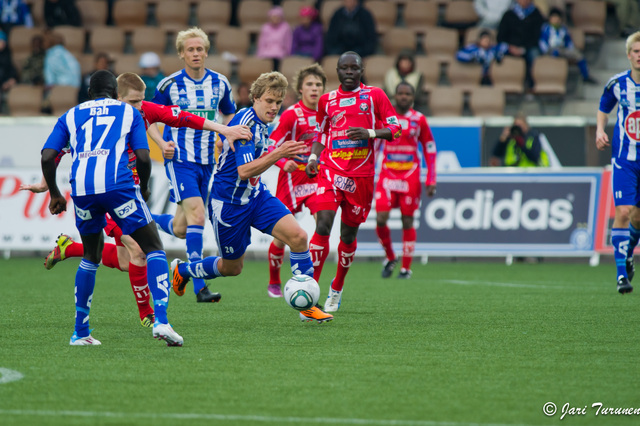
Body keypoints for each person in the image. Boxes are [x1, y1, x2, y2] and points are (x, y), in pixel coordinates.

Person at [21, 71, 250, 323]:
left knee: (124, 261)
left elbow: (184, 118)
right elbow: (61, 150)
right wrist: (46, 183)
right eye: (133, 102)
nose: (139, 107)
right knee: (139, 251)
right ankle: (148, 315)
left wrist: (223, 129)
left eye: (141, 101)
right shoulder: (106, 119)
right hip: (108, 192)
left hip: (126, 192)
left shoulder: (141, 112)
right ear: (115, 97)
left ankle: (70, 248)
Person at [170, 71, 334, 324]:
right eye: (269, 101)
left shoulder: (264, 123)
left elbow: (258, 157)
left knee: (299, 238)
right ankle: (184, 269)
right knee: (231, 268)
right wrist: (279, 154)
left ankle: (307, 306)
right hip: (229, 205)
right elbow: (244, 171)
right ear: (255, 98)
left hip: (256, 197)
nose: (274, 107)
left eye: (278, 102)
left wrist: (278, 154)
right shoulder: (244, 124)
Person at [40, 70, 183, 346]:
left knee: (91, 257)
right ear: (115, 93)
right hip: (118, 186)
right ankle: (161, 321)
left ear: (89, 93)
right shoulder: (129, 113)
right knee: (153, 247)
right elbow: (143, 156)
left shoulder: (71, 115)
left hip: (82, 189)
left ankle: (80, 333)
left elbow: (48, 156)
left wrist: (55, 194)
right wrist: (142, 189)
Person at [151, 27, 249, 303]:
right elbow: (149, 118)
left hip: (209, 161)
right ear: (182, 54)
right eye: (190, 49)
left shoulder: (220, 83)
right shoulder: (168, 85)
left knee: (183, 227)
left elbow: (229, 112)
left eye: (200, 49)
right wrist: (161, 143)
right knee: (197, 216)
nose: (196, 53)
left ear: (206, 52)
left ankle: (142, 218)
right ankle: (199, 285)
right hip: (180, 159)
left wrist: (225, 135)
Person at [305, 51, 402, 312]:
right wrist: (313, 157)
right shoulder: (327, 101)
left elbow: (395, 128)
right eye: (344, 68)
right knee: (323, 224)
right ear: (336, 71)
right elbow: (321, 133)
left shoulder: (374, 96)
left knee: (348, 235)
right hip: (330, 171)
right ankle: (311, 291)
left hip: (361, 177)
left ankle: (336, 288)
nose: (349, 72)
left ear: (362, 70)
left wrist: (369, 132)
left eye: (354, 68)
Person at [266, 63, 326, 297]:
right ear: (300, 89)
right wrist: (282, 162)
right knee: (282, 237)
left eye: (318, 84)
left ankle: (312, 281)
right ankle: (274, 281)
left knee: (323, 222)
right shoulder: (292, 114)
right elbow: (271, 144)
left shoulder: (327, 114)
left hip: (316, 174)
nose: (314, 88)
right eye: (309, 84)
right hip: (291, 177)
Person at [375, 82, 436, 280]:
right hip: (387, 174)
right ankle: (391, 256)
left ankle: (406, 268)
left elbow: (429, 147)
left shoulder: (419, 119)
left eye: (407, 94)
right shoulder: (385, 118)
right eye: (400, 93)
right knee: (381, 218)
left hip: (410, 175)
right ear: (394, 95)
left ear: (413, 97)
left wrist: (431, 177)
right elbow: (375, 144)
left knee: (407, 220)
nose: (403, 97)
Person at [595, 31, 640, 295]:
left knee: (637, 217)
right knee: (623, 212)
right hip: (625, 159)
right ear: (628, 55)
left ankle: (628, 251)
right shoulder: (617, 84)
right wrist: (600, 130)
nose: (639, 56)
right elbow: (604, 106)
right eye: (636, 51)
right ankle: (621, 275)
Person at [539, 7, 596, 84]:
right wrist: (546, 51)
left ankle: (585, 76)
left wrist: (570, 49)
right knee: (555, 55)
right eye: (553, 18)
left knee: (578, 55)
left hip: (563, 49)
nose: (555, 20)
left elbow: (568, 41)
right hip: (551, 49)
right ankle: (556, 78)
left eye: (557, 18)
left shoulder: (563, 29)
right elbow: (542, 42)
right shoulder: (546, 28)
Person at [497, 0, 544, 89]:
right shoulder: (509, 14)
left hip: (529, 47)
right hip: (511, 47)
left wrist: (523, 49)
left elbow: (538, 36)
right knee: (498, 52)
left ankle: (532, 85)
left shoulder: (536, 14)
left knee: (535, 55)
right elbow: (501, 36)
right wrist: (510, 47)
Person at [256, 6, 292, 71]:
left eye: (277, 17)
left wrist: (288, 53)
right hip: (267, 52)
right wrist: (260, 53)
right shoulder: (265, 27)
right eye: (273, 17)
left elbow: (288, 42)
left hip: (280, 52)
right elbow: (261, 42)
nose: (275, 19)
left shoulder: (285, 27)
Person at [0, 30, 17, 113]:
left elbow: (12, 72)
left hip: (5, 86)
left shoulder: (7, 56)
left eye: (2, 41)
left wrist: (10, 81)